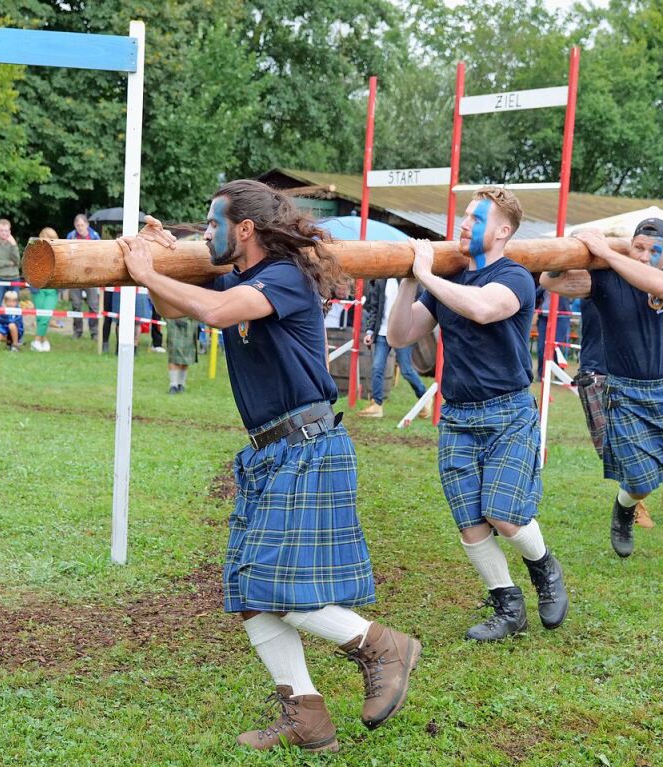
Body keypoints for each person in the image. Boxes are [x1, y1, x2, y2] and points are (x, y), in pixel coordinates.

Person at [118, 179, 420, 753]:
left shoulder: (282, 278)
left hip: (306, 446)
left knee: (283, 587)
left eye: (213, 223)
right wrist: (157, 256)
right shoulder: (240, 276)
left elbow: (214, 312)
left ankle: (381, 644)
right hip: (268, 449)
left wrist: (146, 270)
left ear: (246, 229)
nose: (206, 233)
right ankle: (306, 716)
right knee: (249, 589)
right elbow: (173, 303)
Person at [387, 187, 569, 643]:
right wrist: (409, 278)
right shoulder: (447, 281)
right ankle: (507, 606)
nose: (464, 224)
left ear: (503, 230)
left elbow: (485, 309)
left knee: (505, 515)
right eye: (465, 216)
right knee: (470, 523)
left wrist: (428, 275)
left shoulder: (516, 277)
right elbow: (400, 335)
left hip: (508, 412)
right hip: (458, 416)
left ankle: (544, 567)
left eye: (476, 217)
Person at [540, 218, 663, 586]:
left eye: (653, 250)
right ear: (629, 246)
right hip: (625, 391)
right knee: (640, 481)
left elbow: (659, 284)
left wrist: (605, 252)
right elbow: (550, 282)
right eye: (638, 248)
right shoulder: (605, 278)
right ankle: (623, 509)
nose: (645, 256)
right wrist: (571, 254)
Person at [574, 294, 663, 528]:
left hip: (638, 372)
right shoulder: (597, 279)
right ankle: (633, 504)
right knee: (617, 446)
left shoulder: (644, 280)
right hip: (599, 372)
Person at [357, 278, 430, 420]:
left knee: (406, 370)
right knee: (377, 368)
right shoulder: (380, 282)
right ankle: (376, 405)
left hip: (403, 333)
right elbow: (374, 308)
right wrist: (370, 331)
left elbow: (422, 305)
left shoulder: (410, 281)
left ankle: (425, 398)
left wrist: (414, 329)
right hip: (382, 333)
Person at [66, 214, 101, 340]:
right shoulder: (71, 236)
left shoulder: (95, 236)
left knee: (93, 305)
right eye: (77, 225)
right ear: (75, 226)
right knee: (76, 305)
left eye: (82, 225)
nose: (80, 227)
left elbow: (99, 255)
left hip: (90, 276)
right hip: (75, 275)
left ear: (87, 225)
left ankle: (94, 332)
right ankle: (77, 331)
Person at [30, 227, 60, 352]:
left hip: (52, 289)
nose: (47, 238)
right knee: (40, 316)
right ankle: (44, 339)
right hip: (38, 288)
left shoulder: (59, 251)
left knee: (46, 315)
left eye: (50, 237)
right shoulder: (33, 249)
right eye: (45, 236)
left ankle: (36, 339)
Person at [0, 218, 21, 309]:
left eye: (6, 231)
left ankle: (15, 323)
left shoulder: (13, 243)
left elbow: (17, 262)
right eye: (1, 230)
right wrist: (9, 263)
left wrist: (14, 246)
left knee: (15, 305)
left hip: (14, 277)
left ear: (9, 231)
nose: (4, 233)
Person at [166, 316, 199, 393]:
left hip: (190, 322)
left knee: (187, 355)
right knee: (174, 353)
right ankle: (173, 385)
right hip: (174, 322)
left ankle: (181, 384)